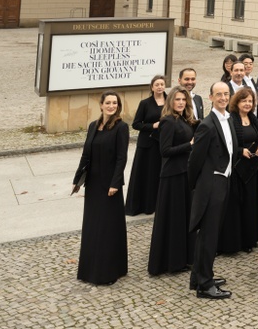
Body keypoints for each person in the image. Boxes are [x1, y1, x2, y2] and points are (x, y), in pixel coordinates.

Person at [188, 82, 239, 299]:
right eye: (218, 94)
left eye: (226, 94)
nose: (223, 97)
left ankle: (198, 275)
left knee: (211, 233)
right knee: (208, 236)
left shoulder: (229, 119)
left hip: (223, 181)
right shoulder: (207, 125)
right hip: (211, 186)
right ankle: (205, 285)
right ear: (210, 97)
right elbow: (194, 161)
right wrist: (199, 187)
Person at [73, 91, 129, 286]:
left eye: (115, 103)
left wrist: (115, 183)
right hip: (94, 184)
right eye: (108, 103)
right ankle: (89, 269)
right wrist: (77, 179)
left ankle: (109, 271)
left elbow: (122, 158)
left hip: (110, 185)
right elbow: (86, 155)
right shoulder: (93, 126)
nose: (111, 106)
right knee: (92, 226)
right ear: (101, 105)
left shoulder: (121, 127)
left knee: (107, 228)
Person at [148, 87, 197, 275]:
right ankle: (173, 261)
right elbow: (165, 151)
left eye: (183, 99)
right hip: (173, 176)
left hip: (184, 173)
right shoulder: (167, 121)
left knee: (183, 218)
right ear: (171, 102)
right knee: (174, 219)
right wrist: (190, 146)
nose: (181, 102)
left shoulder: (183, 119)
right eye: (177, 99)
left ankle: (184, 257)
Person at [218, 87, 258, 255]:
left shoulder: (253, 118)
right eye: (244, 100)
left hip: (252, 170)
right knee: (236, 205)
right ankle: (235, 240)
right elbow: (227, 143)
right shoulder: (231, 119)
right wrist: (240, 150)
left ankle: (249, 239)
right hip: (237, 170)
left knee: (250, 204)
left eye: (250, 101)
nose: (247, 104)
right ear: (236, 102)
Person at [126, 75, 166, 216]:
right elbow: (136, 124)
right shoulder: (145, 103)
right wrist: (152, 126)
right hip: (148, 144)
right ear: (152, 87)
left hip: (164, 143)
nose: (160, 87)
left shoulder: (170, 101)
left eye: (162, 84)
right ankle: (145, 205)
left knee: (160, 173)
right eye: (157, 84)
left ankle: (158, 203)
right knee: (147, 173)